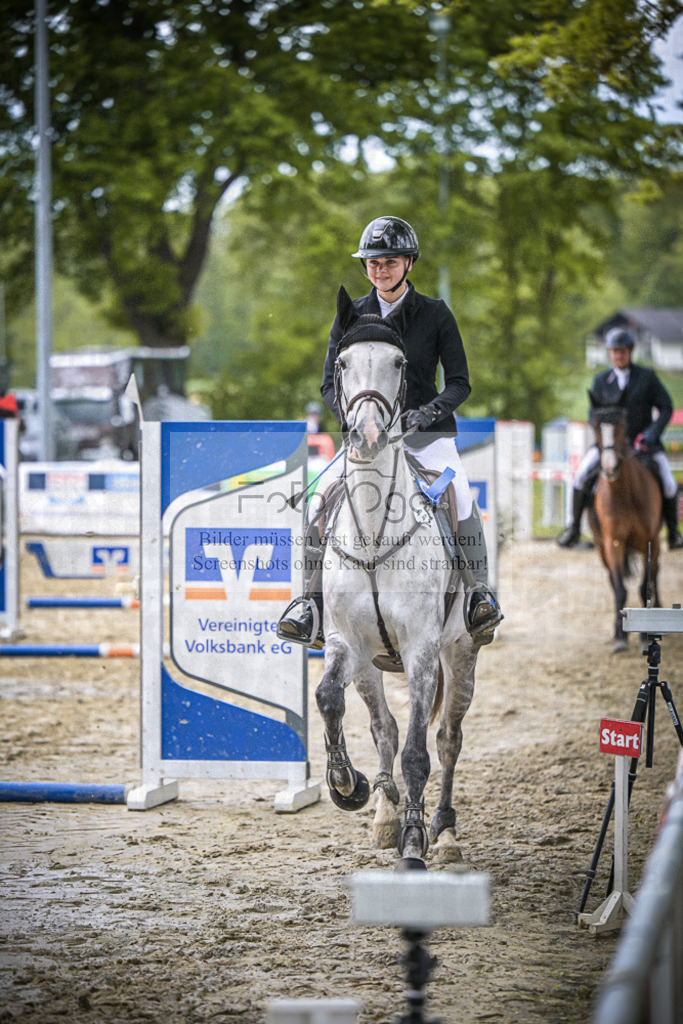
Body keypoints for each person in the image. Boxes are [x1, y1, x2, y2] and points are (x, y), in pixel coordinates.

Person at [277, 214, 503, 650]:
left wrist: (428, 412)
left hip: (425, 437)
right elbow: (328, 385)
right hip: (366, 441)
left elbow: (459, 382)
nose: (380, 270)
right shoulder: (351, 314)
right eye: (373, 263)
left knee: (460, 498)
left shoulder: (435, 314)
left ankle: (478, 595)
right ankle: (310, 604)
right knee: (318, 501)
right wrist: (355, 421)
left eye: (390, 262)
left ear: (409, 263)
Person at [557, 326, 683, 550]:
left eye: (622, 351)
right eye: (614, 351)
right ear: (610, 353)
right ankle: (573, 528)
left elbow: (666, 407)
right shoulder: (601, 381)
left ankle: (673, 533)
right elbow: (593, 415)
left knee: (669, 481)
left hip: (643, 444)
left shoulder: (647, 377)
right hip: (609, 445)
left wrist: (651, 434)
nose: (618, 355)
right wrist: (604, 440)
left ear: (630, 351)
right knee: (580, 476)